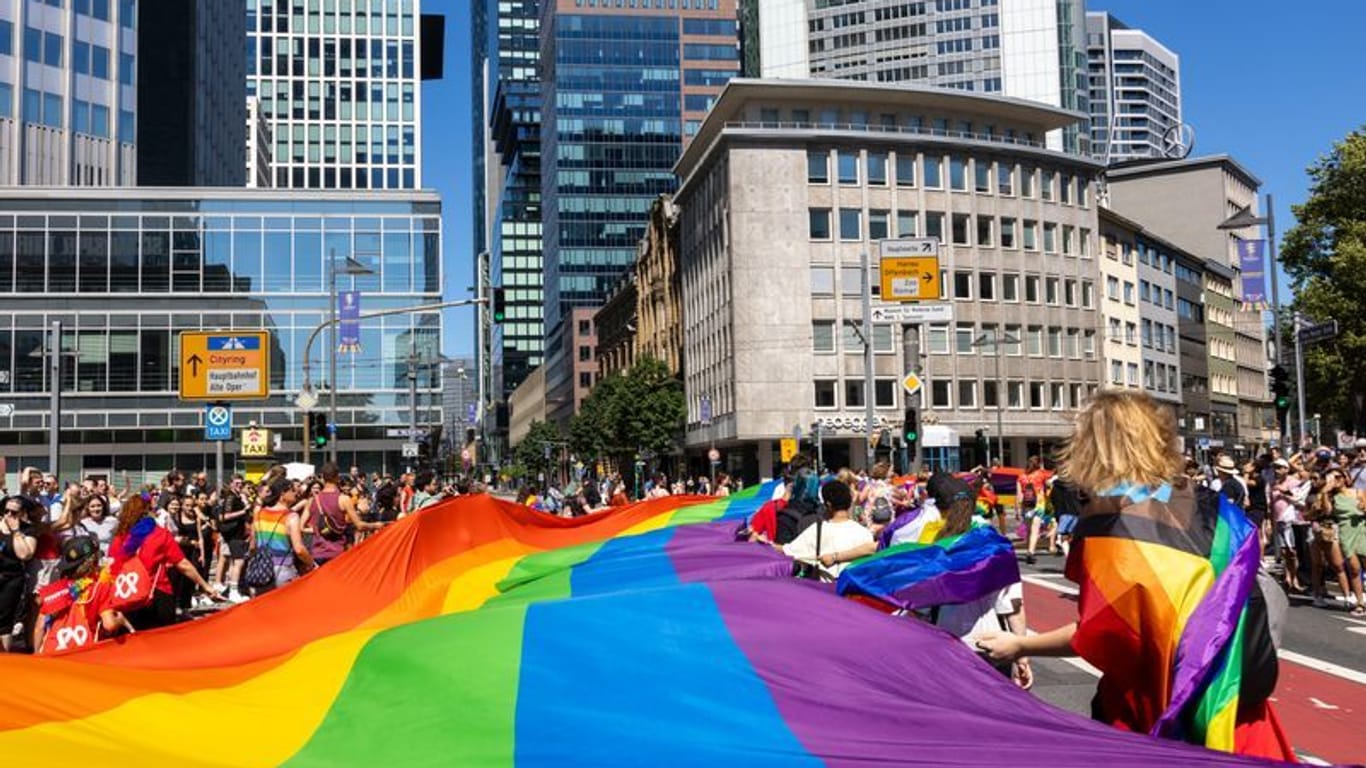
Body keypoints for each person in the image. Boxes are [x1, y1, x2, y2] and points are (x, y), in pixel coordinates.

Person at [977, 391, 1293, 761]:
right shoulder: (1214, 506)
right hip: (1238, 712)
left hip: (1158, 720)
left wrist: (1020, 645)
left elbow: (1100, 634)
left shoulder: (1113, 528)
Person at [924, 475, 1031, 690]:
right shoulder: (997, 548)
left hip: (947, 641)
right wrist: (1022, 655)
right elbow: (1013, 607)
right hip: (993, 643)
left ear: (941, 508)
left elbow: (923, 607)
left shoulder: (935, 548)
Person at [109, 495, 220, 630]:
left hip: (127, 594)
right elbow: (183, 564)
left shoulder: (119, 537)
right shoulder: (159, 534)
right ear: (147, 511)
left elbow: (113, 568)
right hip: (156, 593)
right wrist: (205, 586)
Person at [35, 536, 136, 654]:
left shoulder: (56, 589)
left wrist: (36, 654)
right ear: (94, 561)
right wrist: (121, 620)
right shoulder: (100, 588)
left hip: (52, 651)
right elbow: (109, 624)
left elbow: (39, 627)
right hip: (83, 652)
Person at [778, 480, 875, 580]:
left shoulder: (817, 530)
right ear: (849, 502)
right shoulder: (865, 533)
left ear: (828, 505)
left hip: (826, 592)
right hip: (854, 592)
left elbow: (786, 551)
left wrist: (764, 543)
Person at [304, 464, 382, 567]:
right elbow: (359, 525)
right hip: (337, 552)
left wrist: (317, 528)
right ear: (337, 477)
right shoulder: (343, 499)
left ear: (322, 477)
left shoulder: (312, 500)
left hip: (317, 553)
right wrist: (376, 525)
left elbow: (301, 527)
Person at [251, 477, 316, 592]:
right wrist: (312, 563)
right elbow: (299, 549)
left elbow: (252, 545)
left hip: (261, 569)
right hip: (282, 569)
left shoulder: (259, 513)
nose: (296, 493)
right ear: (282, 494)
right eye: (292, 490)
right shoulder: (291, 517)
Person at [0, 496, 38, 652]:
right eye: (6, 511)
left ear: (22, 513)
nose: (9, 515)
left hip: (11, 579)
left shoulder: (28, 530)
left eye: (14, 512)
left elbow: (25, 554)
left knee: (4, 622)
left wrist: (15, 531)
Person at [211, 476, 252, 602]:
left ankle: (232, 588)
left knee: (235, 562)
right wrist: (243, 511)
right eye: (236, 483)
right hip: (233, 534)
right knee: (238, 562)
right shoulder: (230, 498)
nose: (239, 485)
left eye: (241, 483)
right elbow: (224, 517)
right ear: (231, 484)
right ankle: (233, 591)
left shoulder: (238, 497)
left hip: (238, 534)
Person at [1019, 456, 1048, 565]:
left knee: (1028, 530)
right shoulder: (1041, 475)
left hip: (1026, 505)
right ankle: (1031, 552)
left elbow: (1019, 494)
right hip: (1039, 504)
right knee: (1035, 529)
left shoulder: (1021, 477)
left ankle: (1028, 550)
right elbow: (1045, 488)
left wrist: (1017, 509)